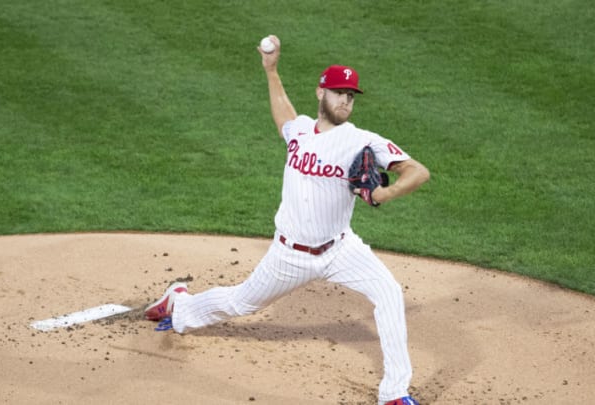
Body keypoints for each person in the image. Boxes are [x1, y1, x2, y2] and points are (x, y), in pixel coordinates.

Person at [145, 35, 430, 405]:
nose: (345, 99)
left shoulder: (362, 140)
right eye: (339, 92)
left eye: (351, 94)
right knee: (240, 303)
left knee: (389, 292)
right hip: (289, 255)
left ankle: (393, 393)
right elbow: (284, 115)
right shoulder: (300, 130)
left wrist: (384, 193)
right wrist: (271, 70)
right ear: (320, 92)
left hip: (340, 249)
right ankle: (178, 304)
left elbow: (417, 171)